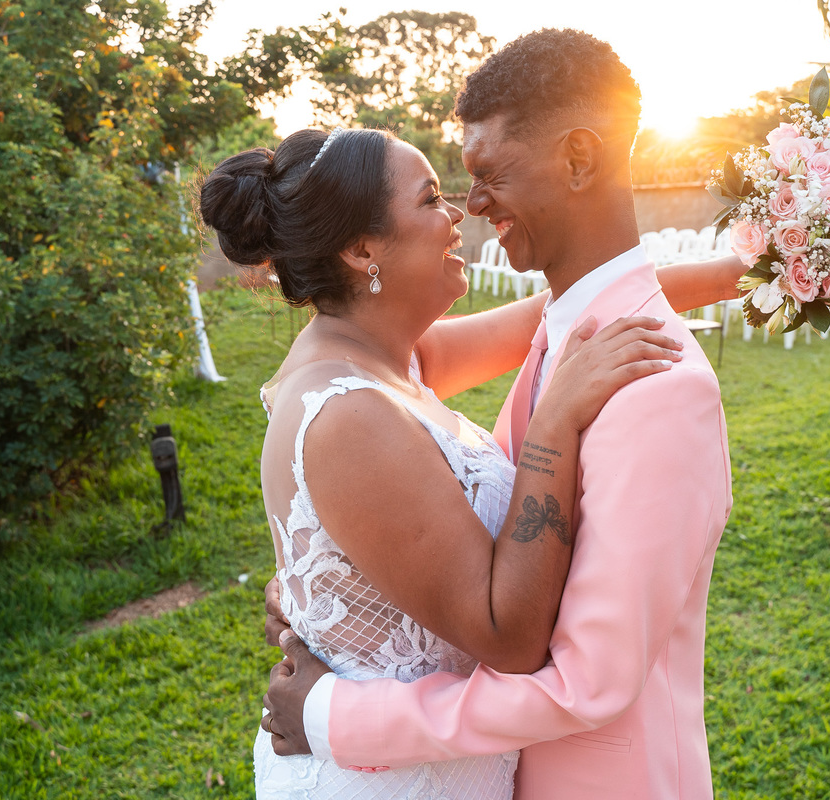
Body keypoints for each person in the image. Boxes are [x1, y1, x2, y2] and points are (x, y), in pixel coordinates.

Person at [261, 28, 736, 800]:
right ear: (361, 252)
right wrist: (328, 599)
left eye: (487, 175)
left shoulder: (658, 388)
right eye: (436, 196)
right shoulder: (377, 379)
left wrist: (745, 270)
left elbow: (587, 681)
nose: (468, 207)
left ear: (577, 160)